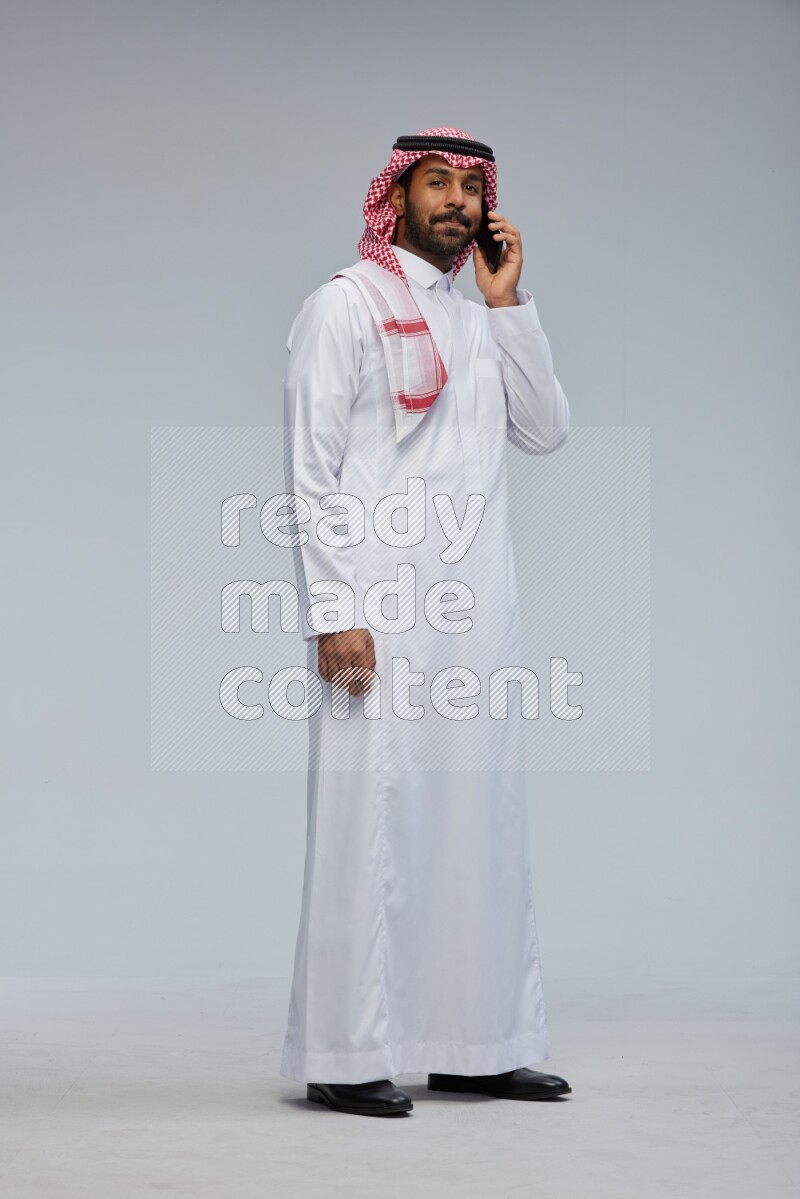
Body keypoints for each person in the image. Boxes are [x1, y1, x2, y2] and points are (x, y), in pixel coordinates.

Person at [280, 127, 572, 1118]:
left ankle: (478, 1042)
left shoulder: (479, 319)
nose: (452, 202)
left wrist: (507, 306)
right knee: (370, 825)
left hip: (475, 614)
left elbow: (545, 427)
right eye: (434, 184)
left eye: (468, 188)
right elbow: (310, 472)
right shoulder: (344, 304)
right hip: (376, 608)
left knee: (474, 820)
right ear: (394, 199)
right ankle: (345, 1050)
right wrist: (333, 611)